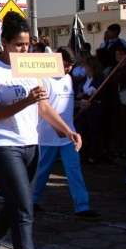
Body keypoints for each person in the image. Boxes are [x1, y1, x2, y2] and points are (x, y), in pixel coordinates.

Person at [0, 12, 81, 249]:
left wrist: (67, 130)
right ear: (4, 43)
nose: (23, 50)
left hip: (31, 146)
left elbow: (44, 109)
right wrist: (26, 100)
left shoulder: (32, 69)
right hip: (3, 147)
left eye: (27, 45)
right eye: (18, 45)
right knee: (24, 209)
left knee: (15, 206)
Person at [32, 47, 99, 219]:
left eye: (71, 64)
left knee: (74, 170)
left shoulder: (69, 79)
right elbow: (42, 108)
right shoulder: (43, 79)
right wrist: (57, 128)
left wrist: (80, 104)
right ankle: (32, 201)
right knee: (42, 171)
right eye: (66, 64)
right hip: (47, 135)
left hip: (69, 135)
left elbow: (68, 103)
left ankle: (82, 207)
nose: (68, 68)